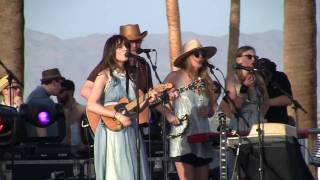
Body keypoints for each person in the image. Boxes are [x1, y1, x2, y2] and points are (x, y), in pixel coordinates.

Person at [87, 35, 157, 180]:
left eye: (126, 46)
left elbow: (134, 108)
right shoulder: (104, 75)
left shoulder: (130, 76)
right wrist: (117, 115)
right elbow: (92, 104)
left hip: (131, 129)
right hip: (112, 131)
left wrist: (148, 100)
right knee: (118, 171)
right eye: (120, 47)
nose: (126, 49)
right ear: (111, 51)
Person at [160, 39, 220, 180]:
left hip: (202, 136)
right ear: (187, 57)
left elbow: (212, 108)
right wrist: (168, 114)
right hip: (183, 137)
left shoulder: (207, 79)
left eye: (203, 54)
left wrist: (209, 110)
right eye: (196, 54)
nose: (200, 57)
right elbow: (155, 100)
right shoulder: (174, 76)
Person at [80, 24, 153, 100]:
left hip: (140, 110)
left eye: (138, 41)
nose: (134, 45)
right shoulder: (109, 63)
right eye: (130, 42)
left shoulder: (143, 64)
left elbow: (148, 94)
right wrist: (109, 107)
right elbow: (85, 91)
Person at [220, 46, 269, 132]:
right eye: (249, 57)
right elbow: (234, 108)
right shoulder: (232, 79)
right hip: (240, 124)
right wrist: (245, 87)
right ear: (238, 60)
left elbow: (266, 102)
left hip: (257, 123)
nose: (253, 59)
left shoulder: (258, 78)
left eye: (255, 57)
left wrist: (258, 115)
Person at [26, 68, 65, 137]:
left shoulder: (36, 95)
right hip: (42, 145)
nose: (61, 87)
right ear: (54, 82)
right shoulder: (41, 99)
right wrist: (45, 144)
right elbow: (40, 125)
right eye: (60, 83)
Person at [254, 58, 293, 124]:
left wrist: (266, 102)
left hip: (278, 123)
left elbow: (288, 99)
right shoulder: (252, 79)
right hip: (256, 123)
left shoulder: (279, 77)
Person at [57, 79, 85, 146]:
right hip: (62, 153)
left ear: (70, 92)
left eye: (61, 91)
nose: (57, 95)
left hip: (79, 154)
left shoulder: (82, 111)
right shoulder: (57, 113)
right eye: (57, 91)